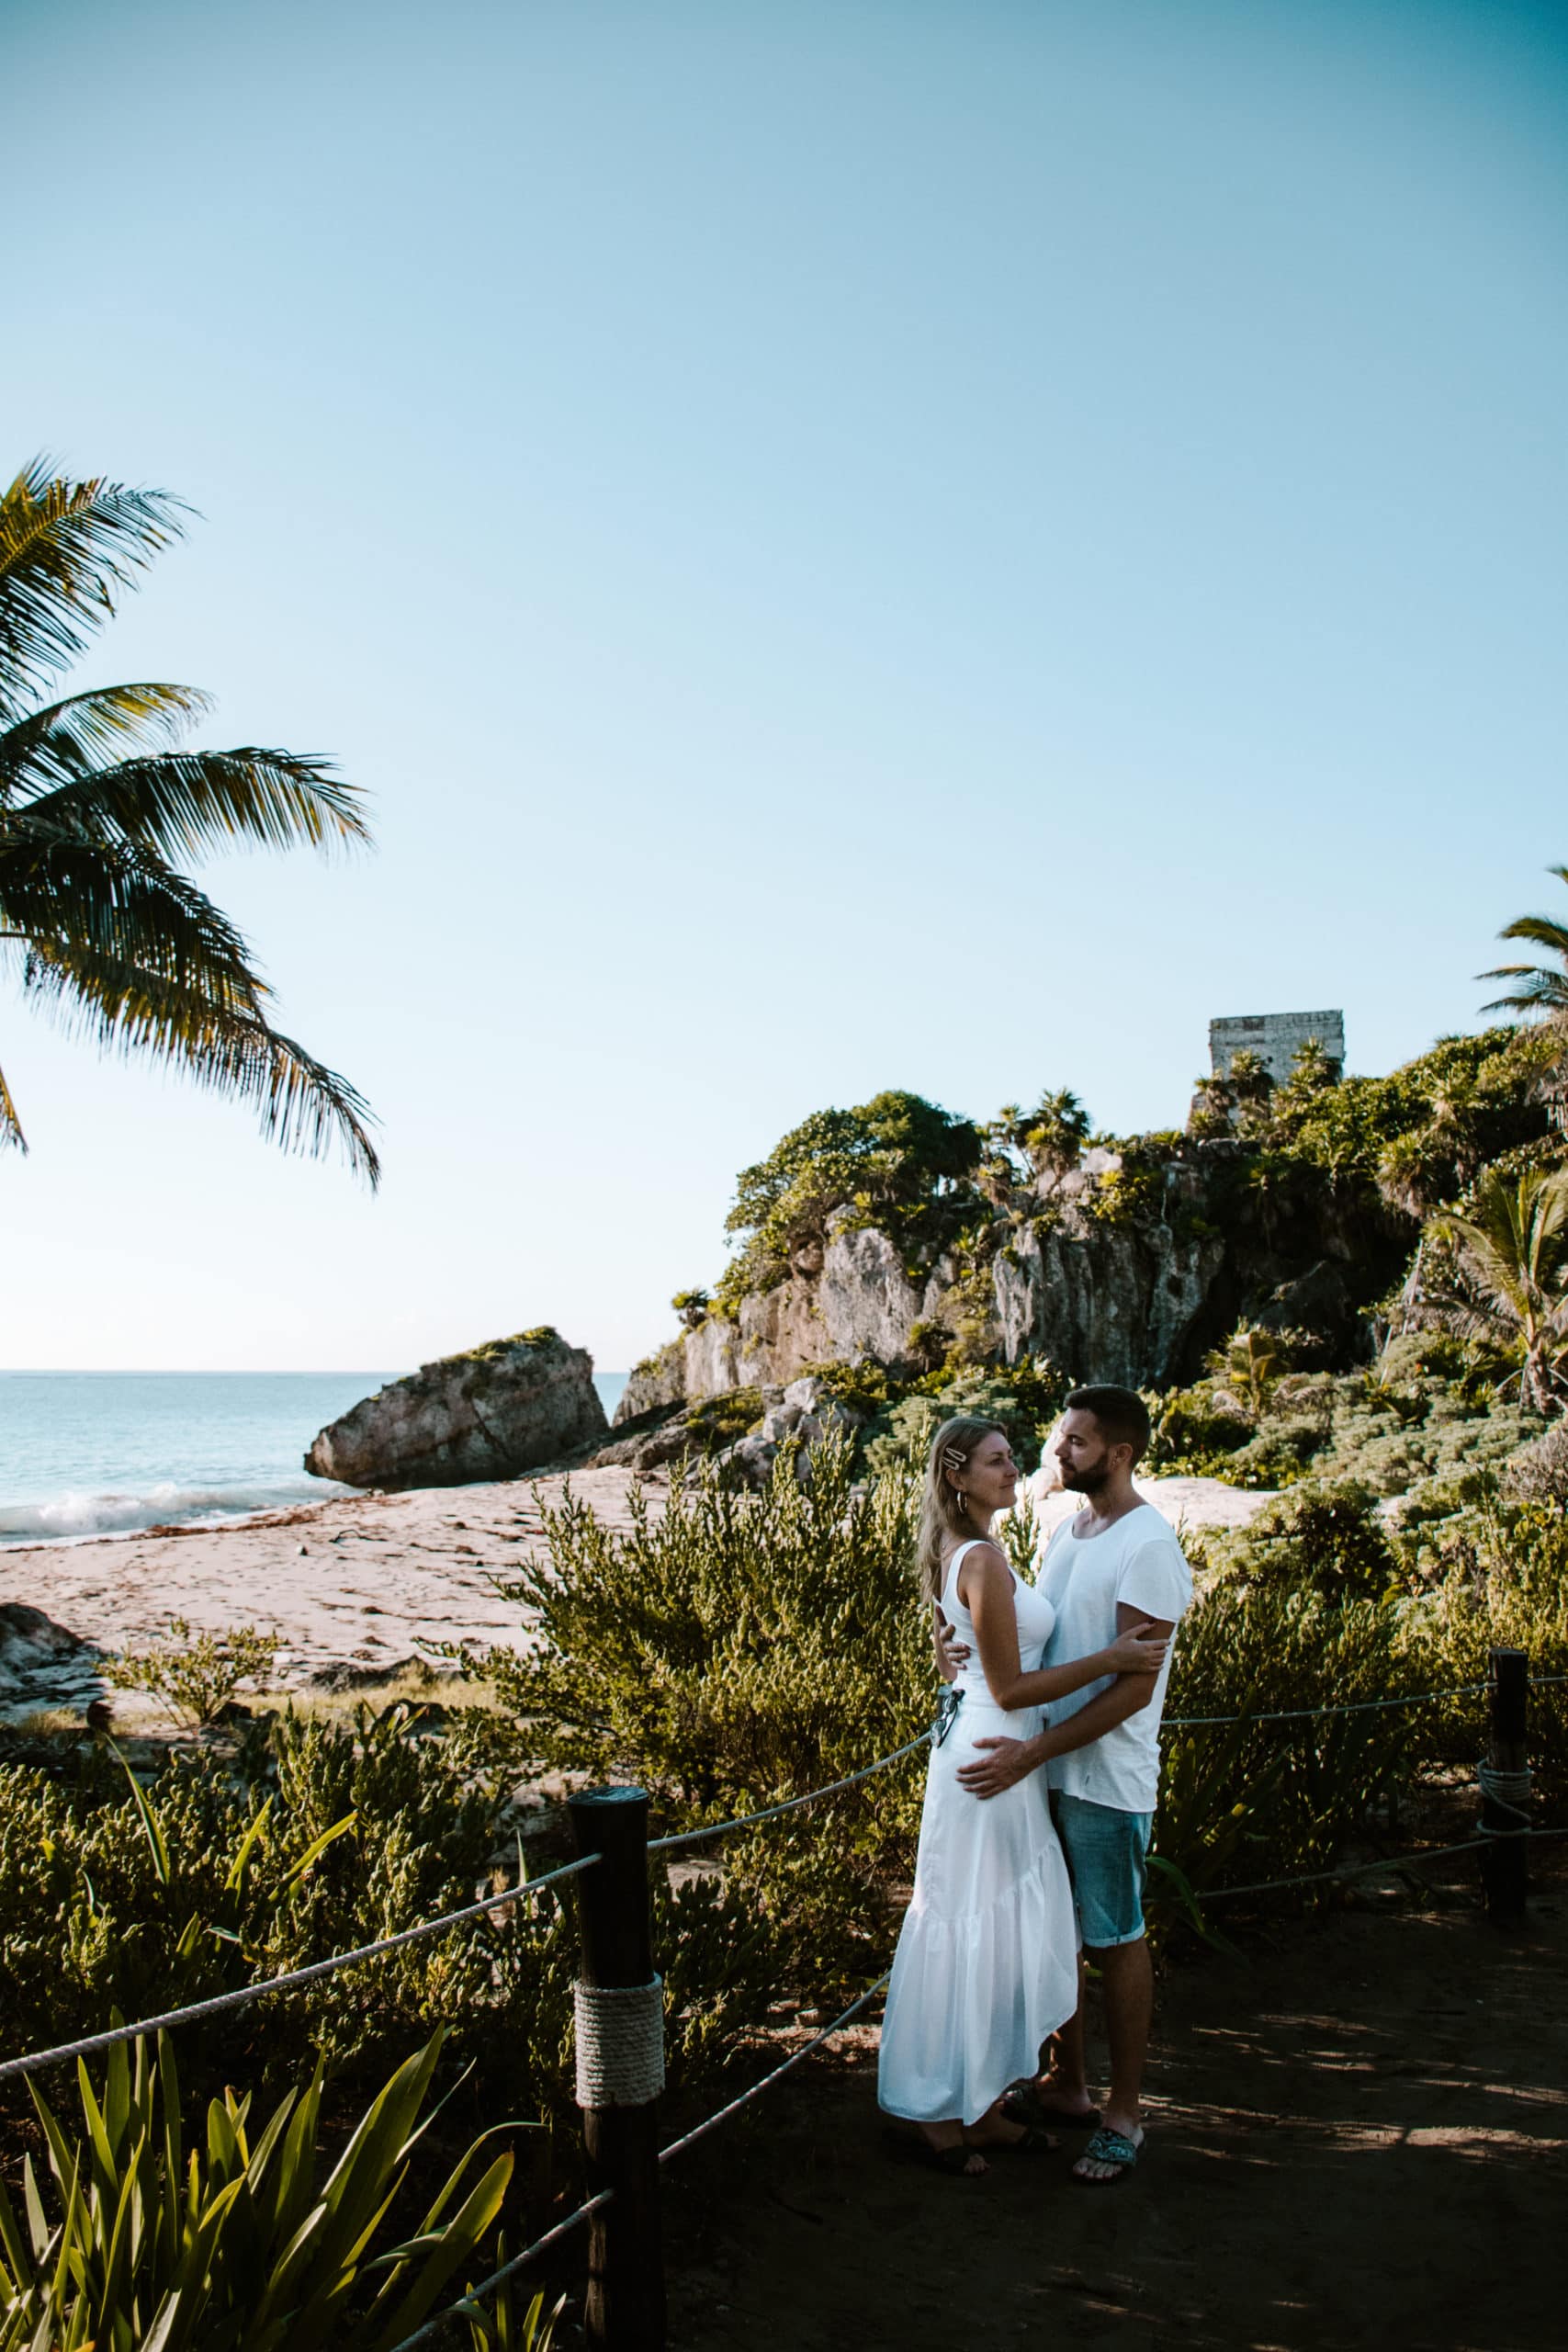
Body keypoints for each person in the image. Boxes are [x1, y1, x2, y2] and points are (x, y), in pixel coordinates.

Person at [877, 1413, 1169, 2176]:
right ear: (955, 1474)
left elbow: (975, 1657)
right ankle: (941, 2114)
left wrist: (953, 1665)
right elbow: (1006, 1683)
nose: (1018, 1469)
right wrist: (1110, 1656)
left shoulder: (975, 1547)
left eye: (1016, 1457)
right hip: (997, 1753)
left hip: (1000, 1746)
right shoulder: (979, 1556)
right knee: (969, 1920)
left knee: (991, 1920)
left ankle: (978, 2106)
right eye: (997, 1460)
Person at [955, 1385, 1193, 2187]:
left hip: (1104, 1781)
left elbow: (1131, 1689)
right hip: (1047, 1768)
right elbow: (1036, 1635)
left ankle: (1123, 2113)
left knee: (1113, 1938)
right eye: (1059, 1440)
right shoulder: (1068, 1532)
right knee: (1056, 1931)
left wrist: (1031, 1755)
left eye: (1076, 1444)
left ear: (1120, 1455)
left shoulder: (1148, 1547)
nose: (1055, 1455)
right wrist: (957, 1651)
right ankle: (1066, 2085)